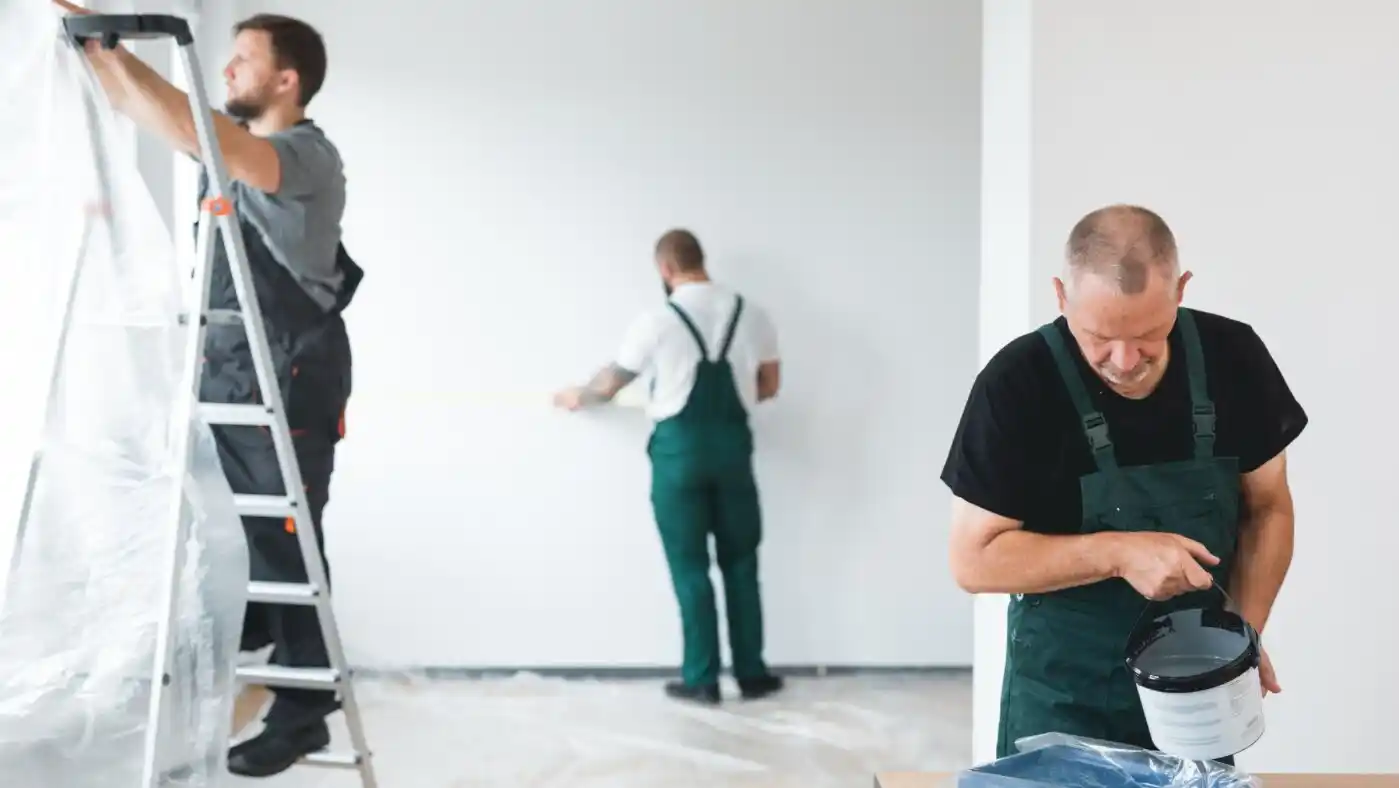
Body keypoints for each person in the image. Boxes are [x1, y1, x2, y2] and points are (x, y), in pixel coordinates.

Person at [57, 4, 362, 777]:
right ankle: (259, 660)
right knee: (229, 534)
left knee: (286, 539)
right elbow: (141, 108)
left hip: (289, 371)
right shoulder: (229, 152)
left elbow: (202, 134)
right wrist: (99, 47)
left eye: (242, 59)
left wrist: (119, 47)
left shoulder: (302, 156)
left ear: (285, 81)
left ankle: (304, 708)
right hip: (228, 362)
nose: (226, 70)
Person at [942, 204, 1305, 760]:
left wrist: (1238, 641)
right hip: (1061, 697)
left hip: (1196, 697)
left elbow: (1269, 508)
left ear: (1180, 290)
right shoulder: (1016, 386)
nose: (1124, 360)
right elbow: (973, 560)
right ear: (1061, 297)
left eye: (1148, 335)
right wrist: (1117, 553)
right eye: (1099, 337)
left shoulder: (1235, 359)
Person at [553, 229, 786, 704]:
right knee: (742, 564)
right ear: (701, 259)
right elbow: (769, 385)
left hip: (678, 458)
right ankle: (752, 674)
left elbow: (613, 381)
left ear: (665, 268)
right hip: (734, 454)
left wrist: (580, 394)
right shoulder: (753, 314)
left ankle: (701, 679)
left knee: (690, 566)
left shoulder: (657, 320)